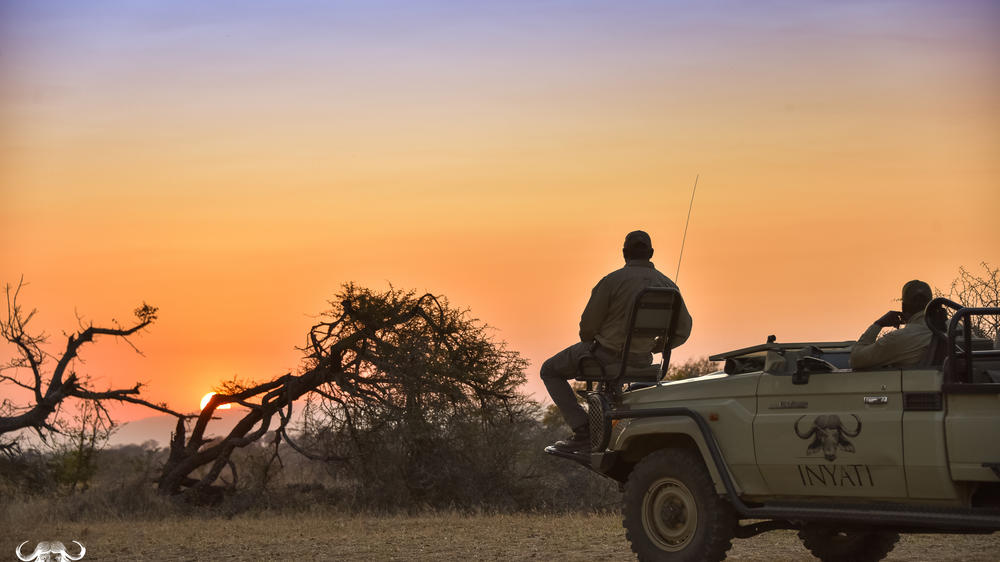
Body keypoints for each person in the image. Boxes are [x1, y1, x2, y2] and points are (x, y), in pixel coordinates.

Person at [542, 230, 692, 453]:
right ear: (651, 253)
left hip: (606, 356)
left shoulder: (611, 281)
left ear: (624, 254)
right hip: (643, 362)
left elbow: (587, 329)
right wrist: (655, 347)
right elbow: (683, 330)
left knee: (549, 370)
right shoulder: (669, 286)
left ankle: (584, 432)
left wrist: (596, 342)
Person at [849, 280, 934, 370]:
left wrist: (878, 324)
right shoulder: (948, 329)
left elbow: (856, 360)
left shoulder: (898, 338)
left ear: (903, 307)